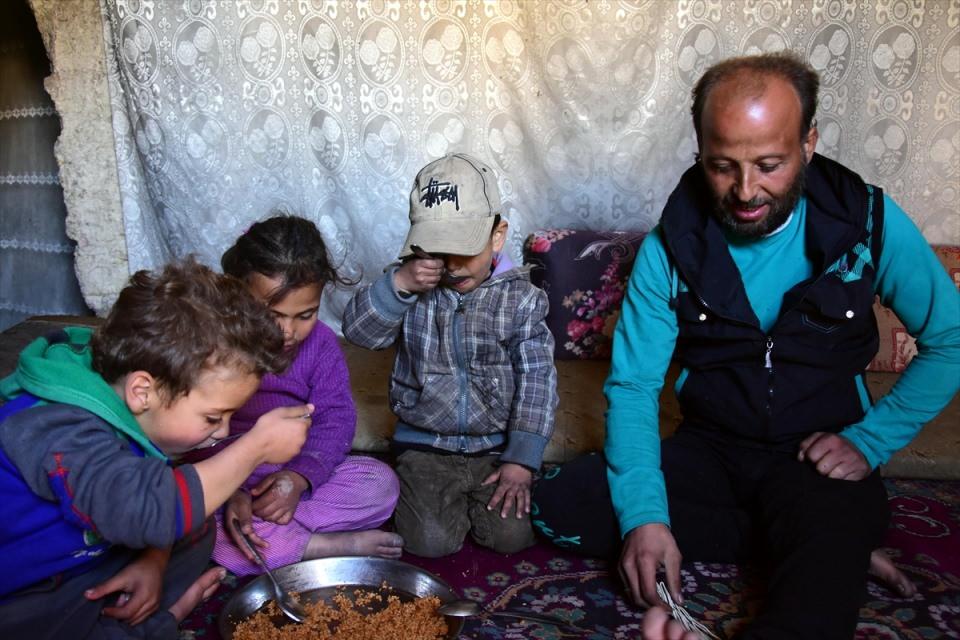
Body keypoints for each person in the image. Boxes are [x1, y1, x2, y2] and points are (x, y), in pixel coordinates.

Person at [533, 52, 959, 639]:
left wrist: (868, 441)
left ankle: (822, 545)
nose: (745, 190)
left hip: (818, 456)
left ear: (808, 143)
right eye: (721, 165)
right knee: (559, 505)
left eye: (769, 164)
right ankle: (807, 547)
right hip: (713, 450)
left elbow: (953, 339)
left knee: (815, 596)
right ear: (700, 149)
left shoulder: (869, 222)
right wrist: (647, 517)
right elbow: (633, 388)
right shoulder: (670, 247)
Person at [0, 260, 312, 639]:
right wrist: (255, 447)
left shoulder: (124, 401)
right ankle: (167, 617)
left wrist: (154, 558)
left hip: (86, 549)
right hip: (24, 586)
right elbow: (145, 507)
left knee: (195, 522)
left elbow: (154, 492)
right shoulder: (61, 428)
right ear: (142, 391)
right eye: (213, 417)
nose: (224, 431)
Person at [342, 153, 558, 558]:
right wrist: (400, 285)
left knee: (510, 538)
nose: (452, 266)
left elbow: (537, 384)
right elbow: (360, 334)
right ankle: (435, 500)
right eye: (439, 251)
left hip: (496, 447)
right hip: (426, 445)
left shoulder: (522, 300)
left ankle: (494, 489)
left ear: (497, 236)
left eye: (464, 249)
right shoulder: (411, 286)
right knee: (430, 543)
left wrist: (521, 460)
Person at [210, 215, 403, 575]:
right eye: (271, 315)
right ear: (239, 294)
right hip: (228, 478)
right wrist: (230, 489)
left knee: (381, 484)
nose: (287, 331)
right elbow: (197, 436)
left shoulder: (322, 345)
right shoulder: (214, 345)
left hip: (294, 476)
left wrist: (299, 479)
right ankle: (321, 546)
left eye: (305, 314)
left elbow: (336, 419)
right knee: (198, 528)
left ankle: (275, 536)